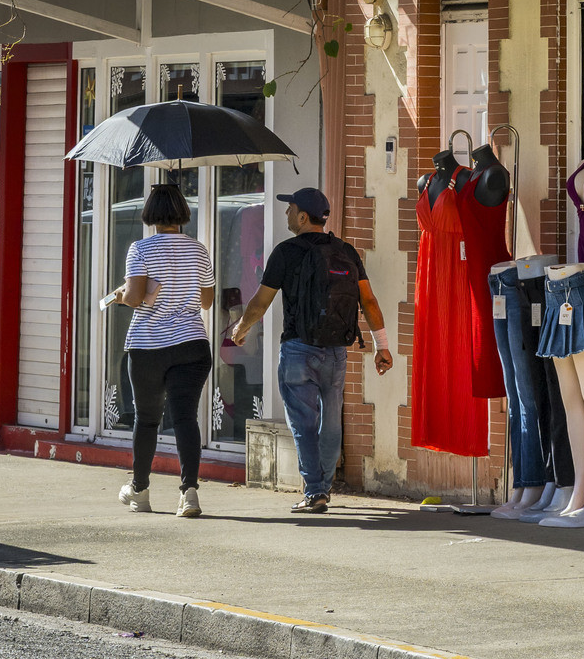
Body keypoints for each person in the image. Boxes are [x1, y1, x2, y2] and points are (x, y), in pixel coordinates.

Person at [231, 186, 393, 515]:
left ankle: (314, 490)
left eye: (290, 209)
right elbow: (369, 301)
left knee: (303, 422)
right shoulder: (346, 251)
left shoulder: (285, 252)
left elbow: (261, 302)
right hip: (336, 350)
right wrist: (382, 347)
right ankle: (324, 484)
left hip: (298, 349)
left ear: (303, 217)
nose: (287, 214)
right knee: (331, 420)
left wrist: (241, 327)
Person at [101, 181, 215, 518]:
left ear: (151, 215)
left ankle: (140, 491)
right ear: (182, 213)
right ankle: (189, 493)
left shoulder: (140, 249)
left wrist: (121, 295)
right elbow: (206, 301)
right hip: (193, 345)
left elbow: (136, 298)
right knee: (185, 418)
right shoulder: (199, 250)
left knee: (147, 419)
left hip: (149, 346)